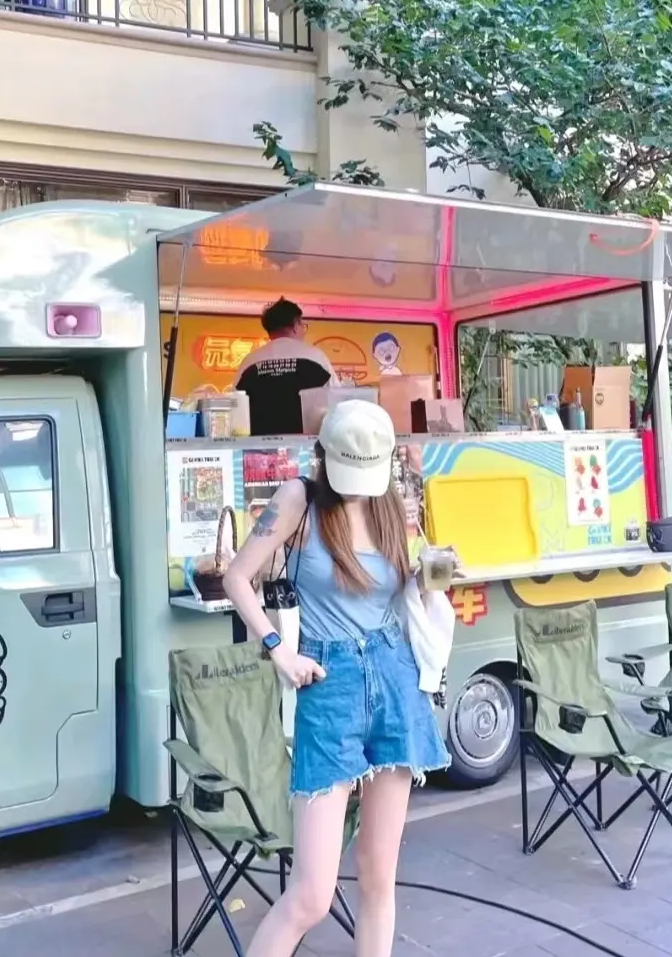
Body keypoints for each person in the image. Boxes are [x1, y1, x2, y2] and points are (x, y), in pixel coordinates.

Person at [222, 399, 450, 957]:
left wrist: (429, 577)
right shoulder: (299, 498)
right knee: (312, 895)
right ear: (321, 455)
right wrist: (278, 649)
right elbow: (237, 577)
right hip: (329, 682)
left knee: (378, 877)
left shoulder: (391, 505)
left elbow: (395, 593)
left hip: (394, 677)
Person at [235, 297, 337, 436]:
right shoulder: (315, 356)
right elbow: (337, 399)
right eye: (302, 325)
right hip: (307, 446)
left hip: (260, 448)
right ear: (295, 326)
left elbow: (235, 406)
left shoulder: (250, 361)